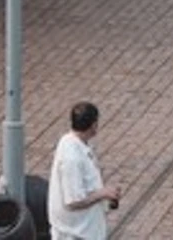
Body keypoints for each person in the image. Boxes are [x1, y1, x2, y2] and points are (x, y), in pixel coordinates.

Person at [48, 101, 121, 240]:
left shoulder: (71, 142)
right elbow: (74, 201)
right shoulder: (72, 158)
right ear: (94, 125)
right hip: (76, 233)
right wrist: (102, 193)